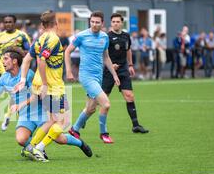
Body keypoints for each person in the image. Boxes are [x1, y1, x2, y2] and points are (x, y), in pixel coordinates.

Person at [0, 47, 92, 160]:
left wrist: (20, 105)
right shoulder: (4, 78)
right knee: (21, 139)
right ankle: (38, 150)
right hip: (24, 115)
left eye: (6, 59)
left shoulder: (29, 75)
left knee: (60, 139)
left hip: (41, 112)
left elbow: (37, 95)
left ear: (14, 61)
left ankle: (80, 143)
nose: (3, 61)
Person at [15, 10, 76, 162]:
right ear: (56, 24)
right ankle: (39, 148)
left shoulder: (40, 39)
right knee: (62, 122)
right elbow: (41, 60)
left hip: (41, 85)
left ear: (42, 25)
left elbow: (27, 60)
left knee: (51, 120)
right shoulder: (53, 39)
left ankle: (31, 146)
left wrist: (23, 79)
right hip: (52, 86)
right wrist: (44, 84)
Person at [65, 11, 121, 144]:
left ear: (102, 23)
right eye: (92, 22)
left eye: (97, 22)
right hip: (86, 76)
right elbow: (67, 51)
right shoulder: (81, 36)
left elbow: (106, 57)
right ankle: (104, 133)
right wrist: (68, 71)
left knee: (90, 109)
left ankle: (74, 129)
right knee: (106, 104)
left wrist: (114, 74)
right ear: (89, 22)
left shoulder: (104, 37)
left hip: (98, 76)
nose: (94, 24)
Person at [97, 13, 148, 142]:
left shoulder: (126, 36)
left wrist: (130, 64)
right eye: (113, 21)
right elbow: (101, 54)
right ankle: (86, 115)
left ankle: (136, 125)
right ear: (111, 23)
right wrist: (109, 65)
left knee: (129, 96)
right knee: (101, 100)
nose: (115, 23)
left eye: (117, 21)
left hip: (123, 69)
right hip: (109, 71)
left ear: (122, 23)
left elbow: (128, 50)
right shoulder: (106, 37)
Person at [0, 15, 31, 131]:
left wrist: (22, 60)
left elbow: (29, 51)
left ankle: (10, 115)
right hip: (3, 72)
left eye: (10, 22)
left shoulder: (21, 36)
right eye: (5, 22)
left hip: (18, 71)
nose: (7, 24)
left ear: (15, 23)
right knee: (12, 94)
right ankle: (10, 115)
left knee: (19, 95)